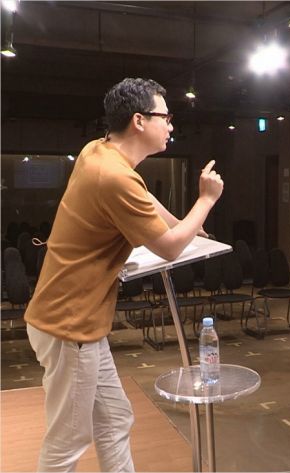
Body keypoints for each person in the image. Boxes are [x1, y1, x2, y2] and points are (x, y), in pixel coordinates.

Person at [23, 78, 224, 472]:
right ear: (139, 120)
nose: (170, 125)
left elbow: (143, 198)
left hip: (78, 323)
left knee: (115, 419)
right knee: (67, 443)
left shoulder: (98, 152)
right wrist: (205, 200)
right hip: (69, 325)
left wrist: (183, 222)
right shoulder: (113, 175)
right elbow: (169, 247)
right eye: (166, 117)